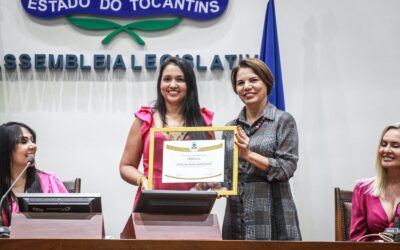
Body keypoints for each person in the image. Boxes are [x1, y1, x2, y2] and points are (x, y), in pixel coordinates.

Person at [222, 58, 301, 240]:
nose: (246, 87)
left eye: (253, 80)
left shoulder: (283, 121)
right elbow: (225, 175)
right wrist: (206, 183)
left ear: (266, 82)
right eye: (240, 83)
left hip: (272, 211)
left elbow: (285, 168)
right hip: (236, 213)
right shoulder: (229, 128)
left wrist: (248, 155)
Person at [119, 57, 214, 206]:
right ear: (160, 84)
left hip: (192, 205)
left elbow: (212, 171)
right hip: (151, 203)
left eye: (180, 79)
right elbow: (126, 166)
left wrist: (203, 186)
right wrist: (142, 180)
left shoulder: (203, 121)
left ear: (189, 85)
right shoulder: (145, 119)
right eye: (167, 79)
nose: (173, 85)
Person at [0, 122, 68, 227]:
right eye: (23, 141)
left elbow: (69, 219)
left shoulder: (49, 180)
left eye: (33, 140)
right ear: (6, 149)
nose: (33, 146)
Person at [350, 122, 400, 242]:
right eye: (383, 144)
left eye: (395, 145)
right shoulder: (363, 189)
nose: (386, 150)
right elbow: (357, 240)